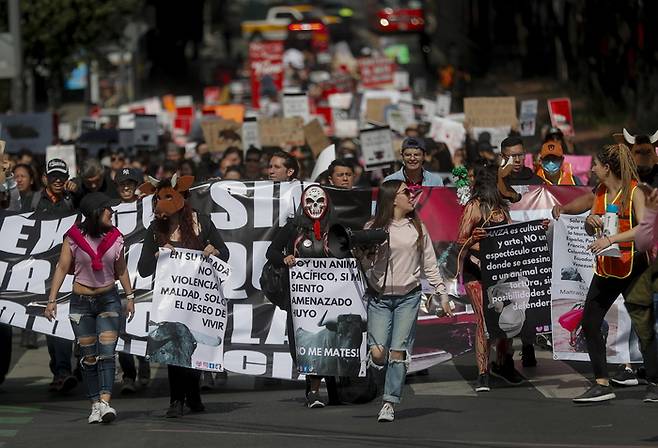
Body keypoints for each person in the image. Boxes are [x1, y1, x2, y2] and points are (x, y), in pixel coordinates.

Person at [358, 179, 450, 422]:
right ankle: (379, 370)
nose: (411, 196)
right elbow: (365, 264)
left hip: (408, 298)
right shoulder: (373, 226)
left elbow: (430, 264)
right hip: (379, 299)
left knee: (398, 352)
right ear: (392, 199)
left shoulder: (417, 227)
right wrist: (364, 254)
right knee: (378, 355)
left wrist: (442, 294)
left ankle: (389, 402)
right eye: (406, 192)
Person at [137, 174, 229, 418]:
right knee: (175, 349)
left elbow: (225, 254)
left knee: (193, 345)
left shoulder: (203, 223)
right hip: (170, 300)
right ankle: (176, 400)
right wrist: (158, 255)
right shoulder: (156, 229)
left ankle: (193, 394)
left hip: (198, 297)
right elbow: (143, 268)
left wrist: (213, 249)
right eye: (158, 198)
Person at [44, 192, 135, 423]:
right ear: (96, 212)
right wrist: (52, 300)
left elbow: (121, 269)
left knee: (106, 354)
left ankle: (105, 403)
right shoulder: (73, 236)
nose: (112, 213)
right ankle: (94, 404)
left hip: (109, 300)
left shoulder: (116, 237)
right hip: (81, 303)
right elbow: (62, 267)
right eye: (107, 209)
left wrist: (130, 296)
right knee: (89, 357)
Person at [573, 143, 651, 403]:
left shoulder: (635, 192)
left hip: (634, 264)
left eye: (595, 164)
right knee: (590, 322)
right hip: (608, 265)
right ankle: (602, 383)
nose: (592, 168)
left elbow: (643, 230)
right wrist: (589, 222)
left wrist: (611, 240)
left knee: (643, 326)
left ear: (607, 168)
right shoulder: (601, 193)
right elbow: (591, 228)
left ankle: (654, 382)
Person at [265, 185, 340, 408]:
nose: (315, 207)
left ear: (326, 204)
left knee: (332, 341)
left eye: (319, 203)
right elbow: (272, 252)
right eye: (310, 203)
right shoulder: (292, 227)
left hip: (331, 297)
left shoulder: (336, 228)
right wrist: (285, 258)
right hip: (301, 299)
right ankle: (314, 391)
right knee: (307, 342)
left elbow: (348, 253)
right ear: (303, 205)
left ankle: (334, 391)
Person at [457, 162, 525, 392]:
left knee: (507, 320)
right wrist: (475, 239)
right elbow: (460, 241)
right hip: (476, 273)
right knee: (483, 322)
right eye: (502, 181)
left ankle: (504, 363)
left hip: (501, 273)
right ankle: (483, 372)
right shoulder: (474, 207)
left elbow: (511, 236)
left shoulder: (501, 208)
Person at [111, 168, 150, 393]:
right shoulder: (109, 210)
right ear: (116, 187)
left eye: (130, 183)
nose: (126, 187)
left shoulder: (148, 206)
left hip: (144, 280)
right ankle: (129, 375)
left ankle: (144, 366)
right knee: (122, 330)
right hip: (117, 279)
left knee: (141, 327)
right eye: (121, 183)